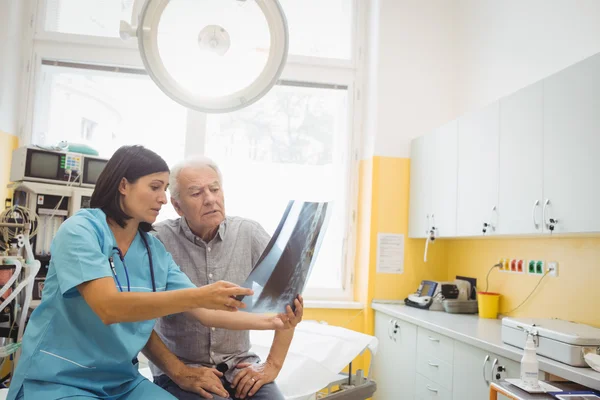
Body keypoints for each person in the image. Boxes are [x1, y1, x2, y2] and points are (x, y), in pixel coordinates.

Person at [7, 146, 298, 400]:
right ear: (124, 186)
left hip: (120, 381)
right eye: (155, 187)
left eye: (164, 189)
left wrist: (275, 320)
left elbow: (205, 312)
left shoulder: (152, 250)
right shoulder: (80, 231)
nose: (162, 199)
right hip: (61, 376)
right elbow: (108, 307)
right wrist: (202, 295)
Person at [145, 156, 302, 400]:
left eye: (215, 189)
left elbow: (289, 300)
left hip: (239, 366)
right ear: (177, 206)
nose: (210, 199)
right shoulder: (158, 241)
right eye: (196, 193)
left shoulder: (248, 233)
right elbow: (139, 323)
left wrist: (272, 365)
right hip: (182, 371)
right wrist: (180, 373)